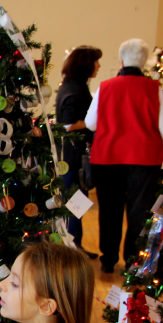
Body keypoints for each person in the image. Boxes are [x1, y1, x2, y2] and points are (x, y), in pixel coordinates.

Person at [84, 38, 163, 273]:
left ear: (121, 60)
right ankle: (133, 262)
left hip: (108, 157)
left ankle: (108, 260)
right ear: (144, 63)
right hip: (144, 159)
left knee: (110, 210)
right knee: (138, 212)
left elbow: (90, 124)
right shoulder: (154, 89)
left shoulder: (105, 87)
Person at [56, 46, 102, 259]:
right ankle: (73, 248)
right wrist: (92, 122)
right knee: (74, 202)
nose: (98, 66)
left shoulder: (74, 86)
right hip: (72, 157)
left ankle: (76, 245)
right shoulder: (75, 90)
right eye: (96, 62)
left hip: (72, 156)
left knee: (77, 201)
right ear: (86, 65)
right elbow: (67, 125)